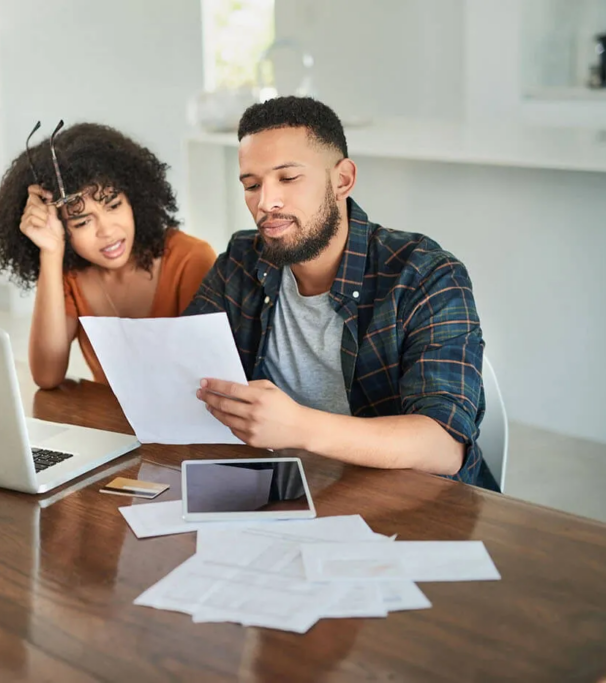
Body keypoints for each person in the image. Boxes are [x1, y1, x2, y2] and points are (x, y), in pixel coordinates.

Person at [186, 96, 497, 491]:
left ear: (343, 180)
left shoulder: (425, 274)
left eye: (287, 178)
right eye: (251, 184)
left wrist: (298, 427)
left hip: (407, 505)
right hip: (278, 491)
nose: (266, 202)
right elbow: (187, 367)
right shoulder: (242, 260)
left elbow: (443, 445)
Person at [0, 121, 217, 389]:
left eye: (114, 205)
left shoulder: (190, 258)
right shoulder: (68, 275)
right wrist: (50, 251)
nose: (107, 231)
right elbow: (47, 376)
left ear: (135, 199)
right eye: (82, 222)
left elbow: (208, 373)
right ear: (62, 228)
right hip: (110, 425)